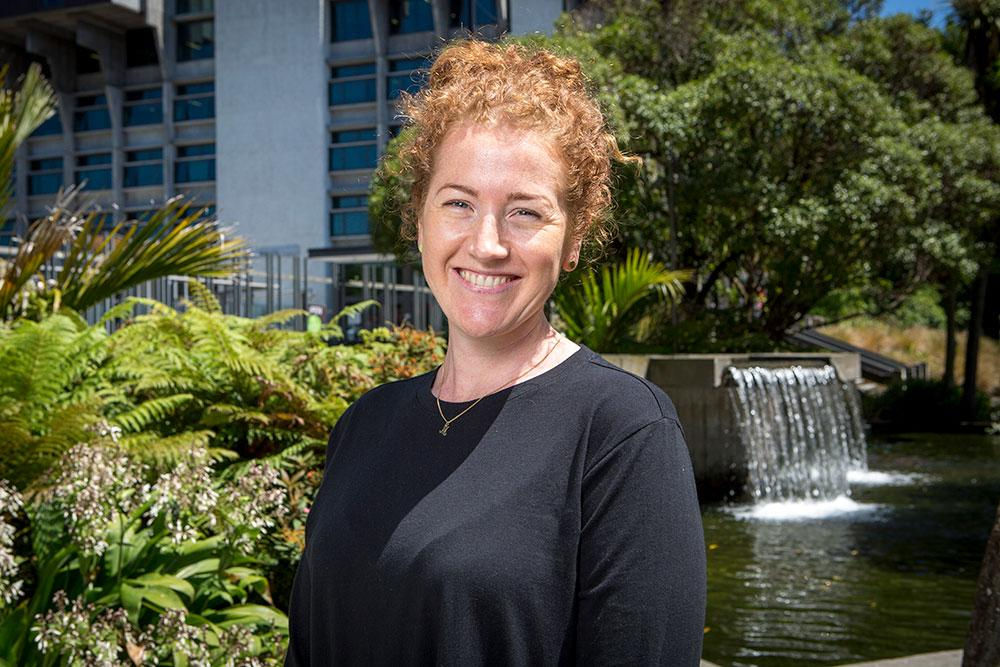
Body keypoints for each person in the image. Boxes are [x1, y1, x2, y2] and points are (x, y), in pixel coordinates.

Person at [286, 39, 706, 666]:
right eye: (458, 203)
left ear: (572, 240)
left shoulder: (622, 432)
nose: (486, 244)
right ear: (420, 220)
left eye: (524, 212)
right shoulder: (363, 424)